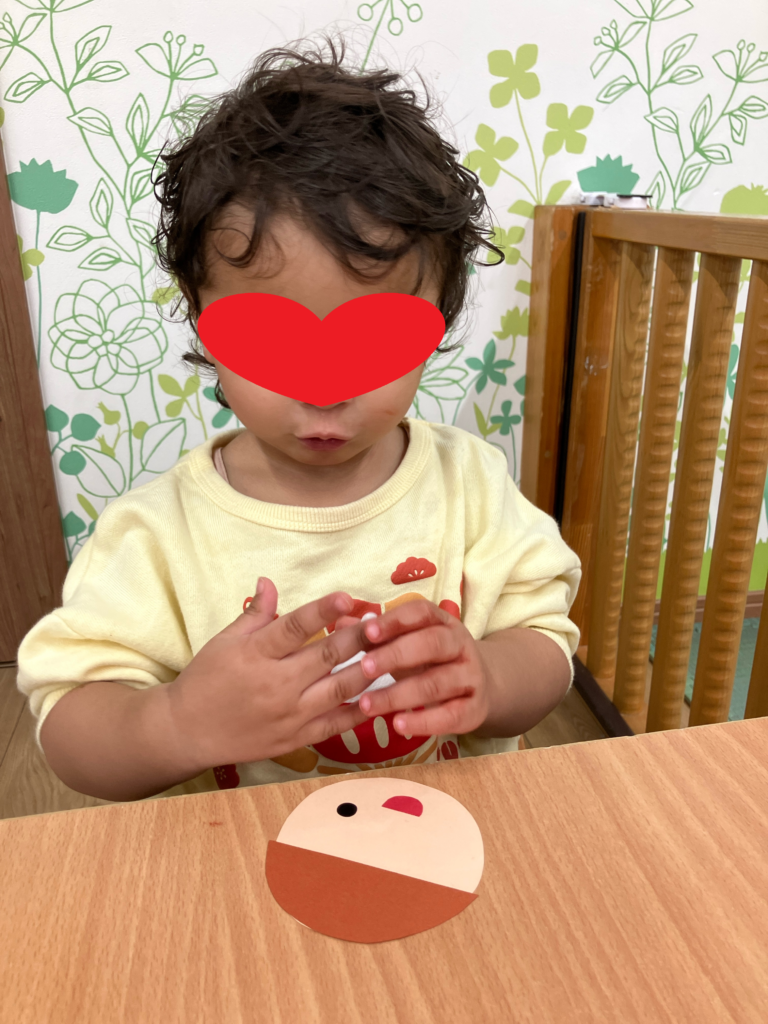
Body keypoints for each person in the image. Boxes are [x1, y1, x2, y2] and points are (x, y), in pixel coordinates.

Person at [16, 38, 581, 803]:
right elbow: (69, 724)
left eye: (374, 343)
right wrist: (175, 723)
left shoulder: (470, 486)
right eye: (271, 341)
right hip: (244, 850)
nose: (324, 390)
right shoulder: (154, 537)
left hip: (447, 828)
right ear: (202, 320)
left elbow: (546, 643)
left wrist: (491, 676)